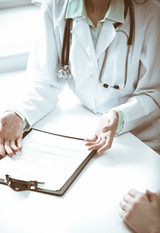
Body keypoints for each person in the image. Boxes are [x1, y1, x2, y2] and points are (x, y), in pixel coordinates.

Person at [0, 0, 160, 158]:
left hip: (140, 140)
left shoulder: (150, 13)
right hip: (88, 131)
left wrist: (121, 116)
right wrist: (19, 115)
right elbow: (43, 82)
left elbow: (155, 92)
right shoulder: (55, 6)